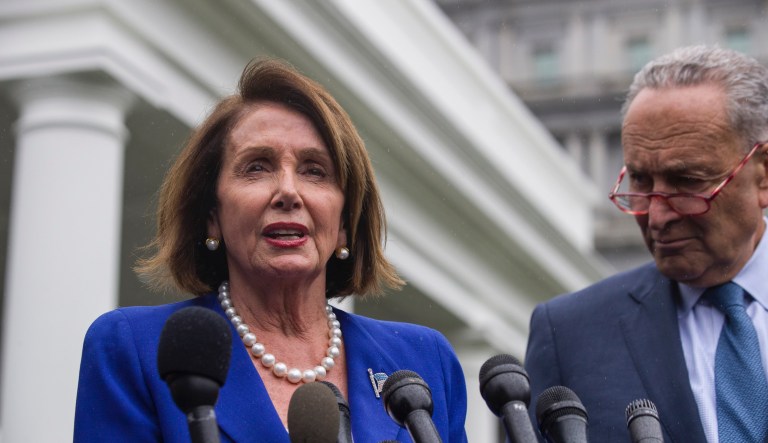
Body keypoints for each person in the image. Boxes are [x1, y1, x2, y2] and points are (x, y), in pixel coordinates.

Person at [74, 58, 468, 442]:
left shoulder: (424, 359)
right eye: (257, 167)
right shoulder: (133, 348)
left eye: (315, 170)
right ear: (212, 216)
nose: (288, 192)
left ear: (345, 224)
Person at [525, 45, 768, 442]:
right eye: (639, 181)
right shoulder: (569, 335)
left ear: (763, 174)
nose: (656, 216)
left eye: (688, 182)